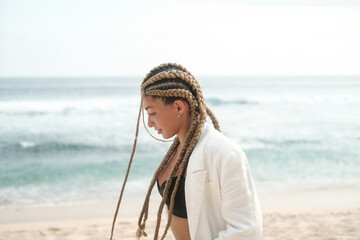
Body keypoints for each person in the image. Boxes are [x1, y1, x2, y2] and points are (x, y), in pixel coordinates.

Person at [110, 63, 262, 240]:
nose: (149, 123)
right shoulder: (178, 150)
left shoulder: (225, 152)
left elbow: (246, 230)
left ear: (179, 107)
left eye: (152, 113)